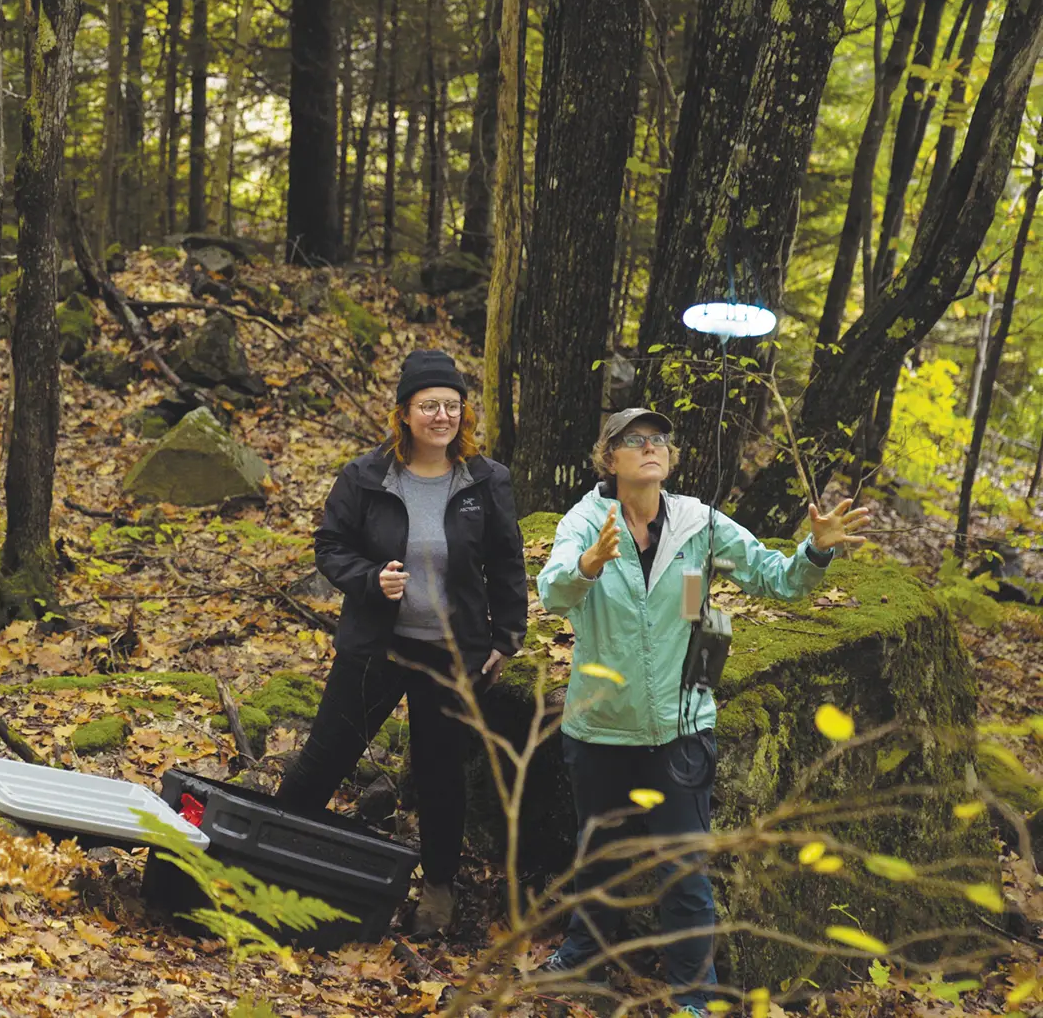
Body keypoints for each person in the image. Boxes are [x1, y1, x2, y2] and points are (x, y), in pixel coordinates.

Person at [535, 408, 870, 1013]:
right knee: (598, 857)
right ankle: (584, 959)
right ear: (608, 458)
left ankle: (693, 997)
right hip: (601, 726)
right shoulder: (586, 521)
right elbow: (552, 590)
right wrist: (585, 567)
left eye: (659, 439)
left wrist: (814, 552)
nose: (650, 447)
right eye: (633, 440)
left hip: (682, 725)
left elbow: (776, 579)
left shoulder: (698, 524)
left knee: (684, 872)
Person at [277, 350, 529, 937]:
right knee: (325, 758)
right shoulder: (366, 476)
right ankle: (272, 858)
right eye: (428, 406)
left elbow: (506, 562)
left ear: (462, 414)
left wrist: (506, 639)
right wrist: (371, 579)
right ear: (405, 413)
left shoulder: (486, 480)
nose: (441, 415)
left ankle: (438, 889)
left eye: (450, 405)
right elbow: (331, 544)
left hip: (451, 655)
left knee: (441, 774)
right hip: (376, 647)